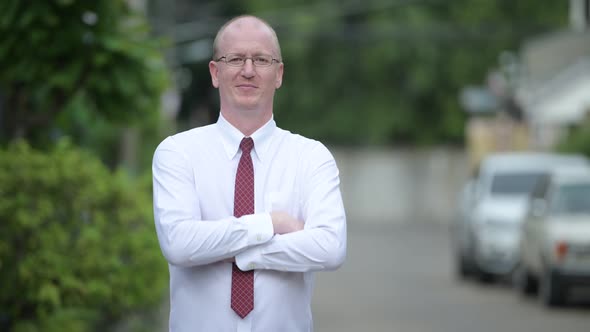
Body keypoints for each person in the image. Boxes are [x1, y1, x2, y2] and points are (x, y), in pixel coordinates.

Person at [152, 15, 347, 332]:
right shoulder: (177, 153)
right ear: (215, 72)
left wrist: (240, 253)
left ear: (279, 74)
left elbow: (330, 248)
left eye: (261, 59)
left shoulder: (311, 158)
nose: (248, 70)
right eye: (235, 59)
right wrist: (272, 224)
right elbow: (179, 244)